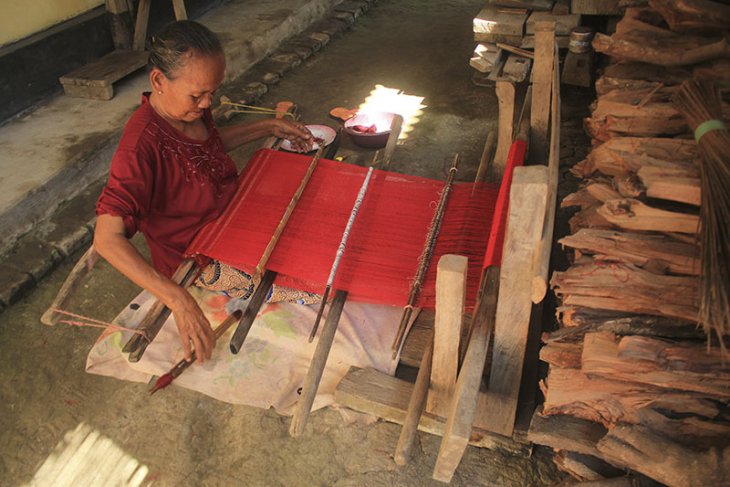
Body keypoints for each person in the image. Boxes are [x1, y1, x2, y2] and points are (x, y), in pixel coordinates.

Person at [94, 20, 313, 364]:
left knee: (310, 215)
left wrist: (269, 126)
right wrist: (178, 299)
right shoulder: (140, 148)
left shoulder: (191, 109)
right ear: (158, 82)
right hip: (200, 257)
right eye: (197, 95)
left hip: (233, 217)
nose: (208, 102)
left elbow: (207, 148)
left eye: (212, 91)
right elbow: (107, 239)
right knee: (311, 277)